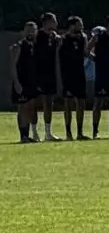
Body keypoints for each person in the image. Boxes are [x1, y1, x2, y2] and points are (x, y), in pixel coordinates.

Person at [59, 16, 91, 141]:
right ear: (72, 25)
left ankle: (80, 132)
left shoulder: (83, 37)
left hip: (80, 73)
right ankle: (68, 132)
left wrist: (97, 59)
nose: (81, 27)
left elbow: (86, 52)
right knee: (68, 103)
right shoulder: (64, 39)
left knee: (81, 103)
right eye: (79, 24)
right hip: (68, 74)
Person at [33, 12, 62, 142]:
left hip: (50, 73)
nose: (56, 23)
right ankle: (33, 132)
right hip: (38, 73)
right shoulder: (37, 35)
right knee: (35, 102)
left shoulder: (54, 37)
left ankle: (48, 133)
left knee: (49, 103)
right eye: (54, 20)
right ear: (47, 22)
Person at [10, 21, 39, 144]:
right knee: (22, 108)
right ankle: (23, 136)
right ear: (23, 32)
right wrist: (16, 83)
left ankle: (27, 135)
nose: (30, 33)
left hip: (31, 82)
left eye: (33, 31)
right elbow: (13, 65)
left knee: (30, 108)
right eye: (28, 31)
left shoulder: (34, 46)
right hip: (21, 82)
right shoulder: (19, 46)